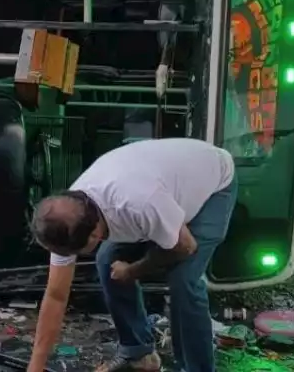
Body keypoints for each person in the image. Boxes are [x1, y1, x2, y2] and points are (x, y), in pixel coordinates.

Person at [25, 137, 238, 372]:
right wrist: (36, 366)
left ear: (95, 234)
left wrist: (132, 271)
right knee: (106, 260)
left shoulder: (139, 203)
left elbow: (185, 247)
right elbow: (56, 295)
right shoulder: (67, 216)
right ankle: (139, 353)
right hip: (163, 190)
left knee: (183, 280)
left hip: (212, 183)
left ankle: (197, 368)